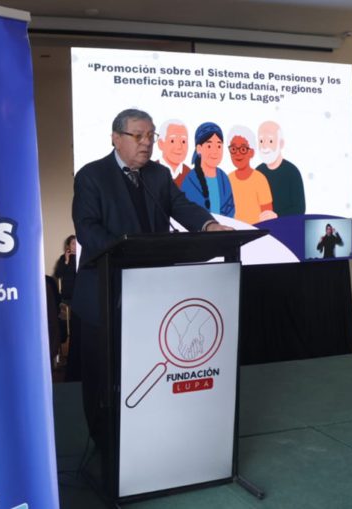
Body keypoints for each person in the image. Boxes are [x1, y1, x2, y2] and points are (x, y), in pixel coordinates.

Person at [72, 108, 231, 449]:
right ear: (116, 138)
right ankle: (104, 445)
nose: (146, 143)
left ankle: (149, 438)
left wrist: (209, 225)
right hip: (105, 293)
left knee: (147, 368)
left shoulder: (158, 175)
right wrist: (124, 250)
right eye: (138, 136)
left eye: (150, 136)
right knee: (103, 376)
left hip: (152, 294)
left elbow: (182, 206)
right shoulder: (92, 175)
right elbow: (87, 229)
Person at [181, 122, 236, 218]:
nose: (215, 151)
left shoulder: (224, 178)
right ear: (199, 149)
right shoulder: (190, 180)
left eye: (219, 146)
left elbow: (230, 211)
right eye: (209, 146)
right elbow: (186, 214)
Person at [226, 125, 277, 224]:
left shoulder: (260, 179)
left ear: (252, 152)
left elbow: (267, 214)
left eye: (243, 149)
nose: (237, 153)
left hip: (256, 230)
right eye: (233, 149)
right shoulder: (228, 179)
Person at [256, 121, 306, 217]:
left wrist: (277, 216)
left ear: (281, 143)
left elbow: (300, 209)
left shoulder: (292, 172)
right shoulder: (258, 172)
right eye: (261, 141)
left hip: (285, 224)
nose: (264, 146)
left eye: (270, 141)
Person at [53, 235, 81, 381]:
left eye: (77, 243)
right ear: (68, 246)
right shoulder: (63, 259)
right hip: (67, 295)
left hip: (80, 294)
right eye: (73, 243)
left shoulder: (82, 257)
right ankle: (63, 351)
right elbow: (58, 274)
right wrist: (66, 260)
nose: (75, 246)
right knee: (64, 319)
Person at [156, 119, 190, 188]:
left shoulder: (191, 176)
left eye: (183, 141)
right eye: (172, 141)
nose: (179, 147)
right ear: (161, 144)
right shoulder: (149, 172)